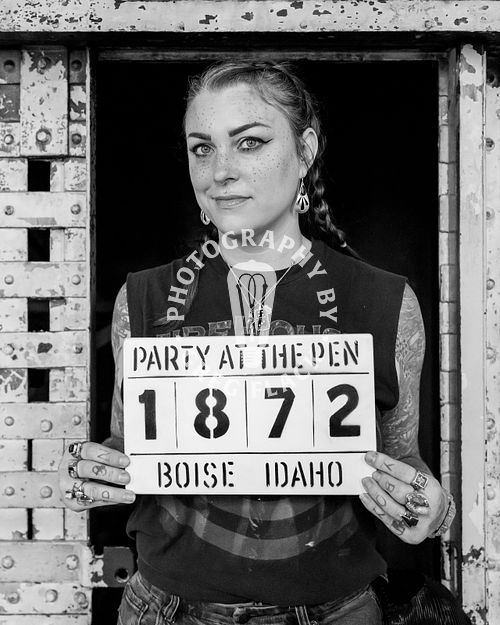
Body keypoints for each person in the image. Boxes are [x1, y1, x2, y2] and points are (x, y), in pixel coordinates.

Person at [58, 61, 456, 625]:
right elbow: (129, 452)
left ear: (305, 150)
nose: (220, 171)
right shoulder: (142, 299)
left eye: (249, 142)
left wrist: (431, 509)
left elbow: (400, 458)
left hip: (336, 610)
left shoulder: (387, 302)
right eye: (202, 149)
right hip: (165, 608)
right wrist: (96, 475)